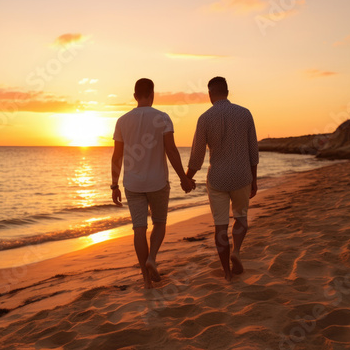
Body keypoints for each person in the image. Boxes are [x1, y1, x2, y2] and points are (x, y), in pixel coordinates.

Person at [111, 78, 195, 289]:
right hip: (158, 182)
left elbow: (116, 156)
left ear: (135, 95)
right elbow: (171, 150)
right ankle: (152, 258)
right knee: (159, 223)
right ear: (152, 93)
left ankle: (146, 281)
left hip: (132, 184)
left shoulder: (122, 120)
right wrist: (183, 179)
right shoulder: (163, 118)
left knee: (139, 229)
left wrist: (114, 185)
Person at [187, 76, 259, 282]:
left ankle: (227, 273)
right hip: (242, 176)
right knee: (241, 218)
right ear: (227, 91)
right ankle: (236, 251)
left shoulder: (205, 118)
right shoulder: (245, 114)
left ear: (210, 94)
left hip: (217, 179)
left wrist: (187, 179)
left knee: (220, 227)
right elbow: (253, 150)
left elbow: (197, 157)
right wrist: (253, 179)